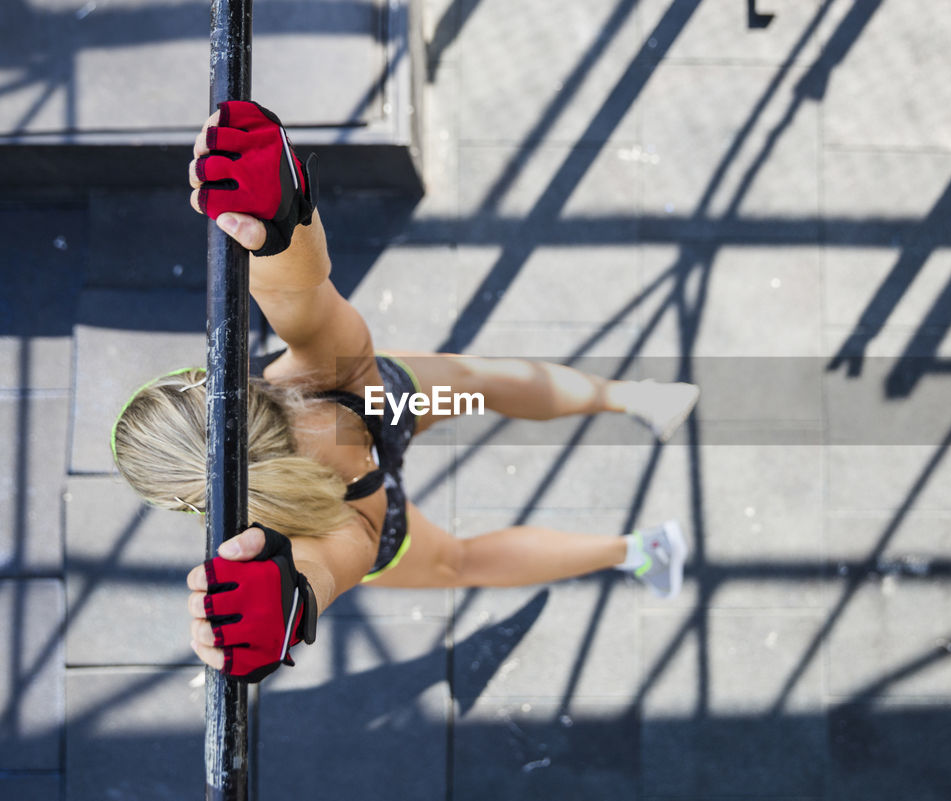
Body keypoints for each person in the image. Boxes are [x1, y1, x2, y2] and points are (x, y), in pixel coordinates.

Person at [110, 101, 699, 682]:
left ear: (191, 499)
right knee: (481, 385)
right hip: (379, 406)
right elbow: (302, 291)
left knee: (464, 561)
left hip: (369, 509)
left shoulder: (291, 527)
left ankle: (643, 551)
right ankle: (638, 398)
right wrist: (275, 221)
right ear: (212, 384)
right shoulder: (315, 372)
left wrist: (290, 604)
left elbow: (325, 570)